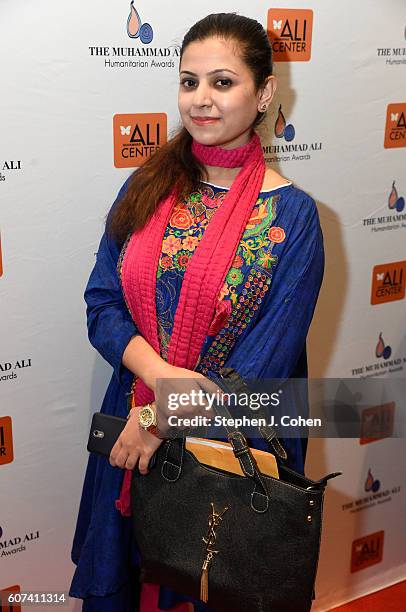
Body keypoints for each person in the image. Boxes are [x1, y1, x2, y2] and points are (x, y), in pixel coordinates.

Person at [69, 12, 324, 612]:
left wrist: (162, 417)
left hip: (225, 448)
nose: (201, 100)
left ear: (263, 93)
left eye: (222, 82)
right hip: (132, 424)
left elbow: (262, 367)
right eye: (189, 82)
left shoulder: (294, 218)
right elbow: (102, 303)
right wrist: (155, 389)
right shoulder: (147, 186)